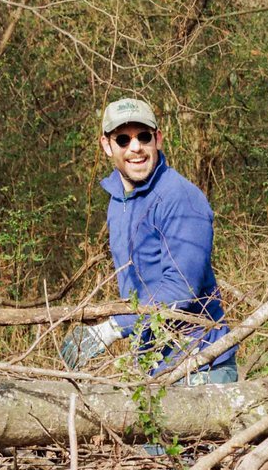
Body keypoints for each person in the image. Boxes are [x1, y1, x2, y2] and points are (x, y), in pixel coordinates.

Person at [61, 96, 238, 383]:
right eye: (123, 139)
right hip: (155, 365)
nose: (135, 148)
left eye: (143, 136)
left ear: (157, 139)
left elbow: (181, 285)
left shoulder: (179, 197)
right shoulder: (119, 201)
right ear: (106, 145)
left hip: (200, 364)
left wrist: (113, 327)